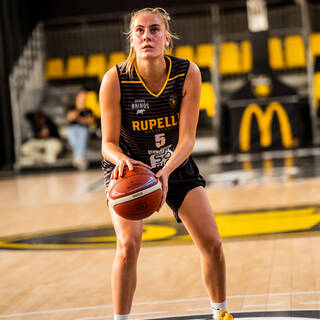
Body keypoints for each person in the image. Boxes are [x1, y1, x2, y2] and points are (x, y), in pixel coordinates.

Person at [99, 7, 233, 320]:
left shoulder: (188, 73)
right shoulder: (115, 79)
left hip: (174, 162)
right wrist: (124, 161)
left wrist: (166, 172)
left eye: (155, 30)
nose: (147, 36)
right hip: (128, 169)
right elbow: (107, 144)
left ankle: (221, 313)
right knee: (128, 246)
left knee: (212, 243)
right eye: (140, 31)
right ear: (131, 40)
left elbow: (187, 138)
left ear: (166, 38)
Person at [66, 89, 95, 170]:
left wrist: (78, 118)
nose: (83, 99)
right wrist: (79, 112)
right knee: (72, 134)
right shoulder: (72, 107)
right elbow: (71, 117)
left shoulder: (88, 110)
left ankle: (78, 158)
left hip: (83, 129)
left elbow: (89, 121)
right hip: (72, 129)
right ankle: (80, 158)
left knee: (83, 132)